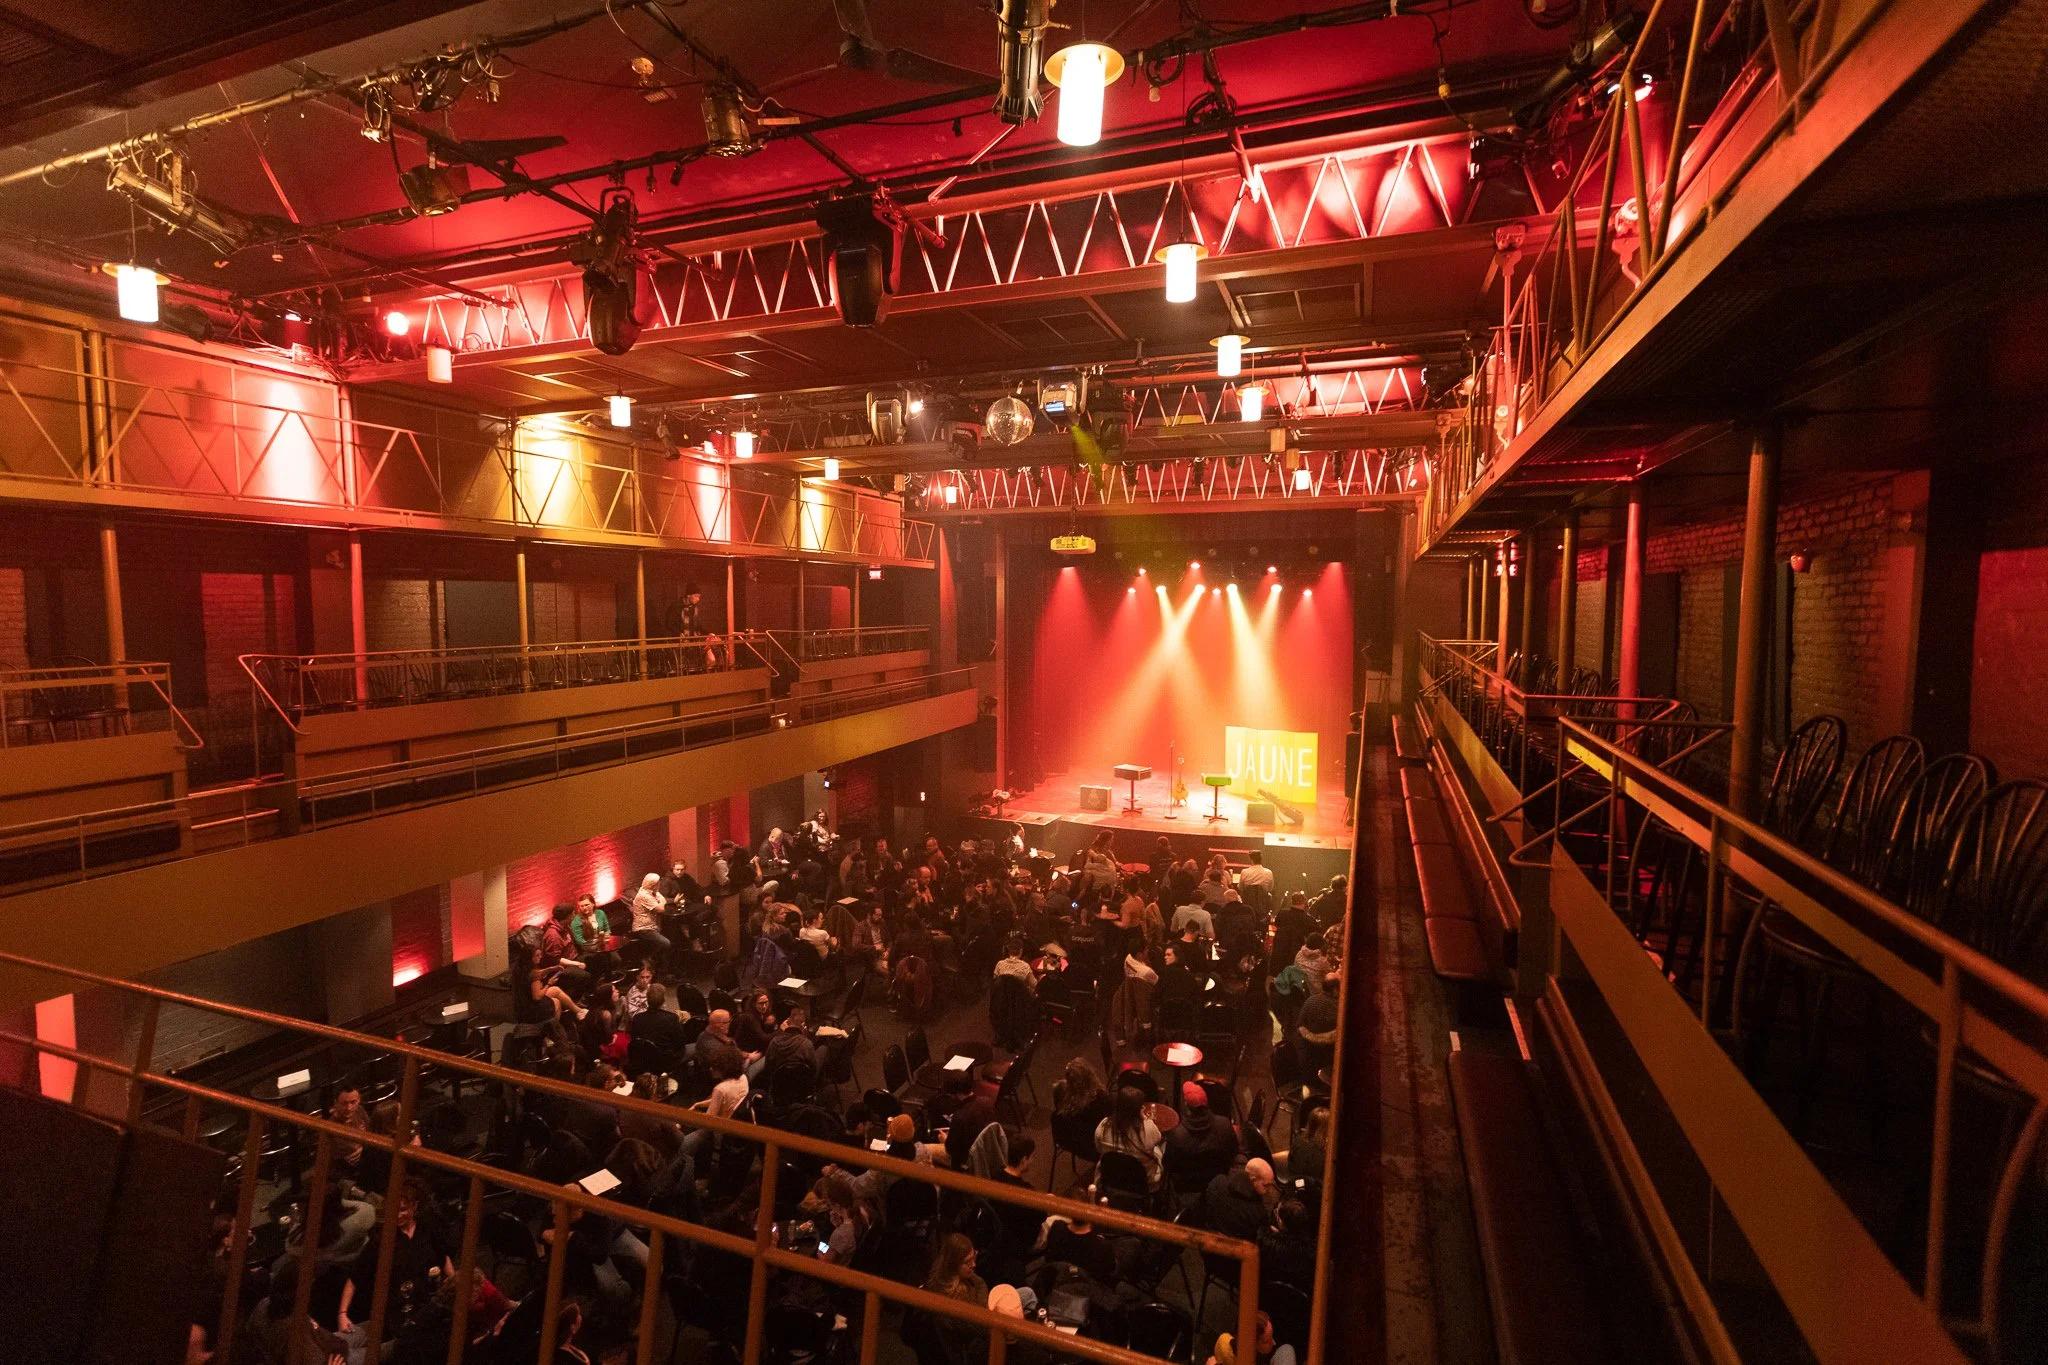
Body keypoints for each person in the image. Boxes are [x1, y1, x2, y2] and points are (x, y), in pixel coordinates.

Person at [337, 1177, 452, 1333]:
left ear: (414, 1206)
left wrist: (454, 1288)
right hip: (400, 1312)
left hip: (431, 1301)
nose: (397, 1215)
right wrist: (342, 1314)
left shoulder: (428, 1229)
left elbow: (444, 1259)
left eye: (403, 1209)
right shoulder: (382, 1239)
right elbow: (355, 1277)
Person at [1093, 1086, 1164, 1190]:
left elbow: (1098, 1148)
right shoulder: (1148, 1128)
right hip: (1144, 1183)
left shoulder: (1104, 1125)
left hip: (1112, 1177)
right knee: (1161, 1148)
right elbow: (1158, 1138)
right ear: (1139, 1109)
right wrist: (1144, 1118)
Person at [1165, 1081, 1239, 1174]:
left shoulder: (1177, 1135)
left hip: (1186, 1185)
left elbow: (1168, 1165)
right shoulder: (1224, 1124)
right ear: (1207, 1102)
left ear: (1186, 1105)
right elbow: (1234, 1151)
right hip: (1218, 1180)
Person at [1202, 1157, 1276, 1241]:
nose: (1269, 1190)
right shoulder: (1257, 1212)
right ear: (1253, 1179)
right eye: (1266, 1185)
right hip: (1238, 1248)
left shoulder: (1216, 1181)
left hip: (1210, 1240)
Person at [923, 1233, 987, 1306]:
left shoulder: (964, 1274)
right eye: (968, 1262)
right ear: (953, 1264)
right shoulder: (945, 1294)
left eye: (974, 1257)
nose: (974, 1264)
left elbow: (980, 1283)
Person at [627, 983, 686, 1062]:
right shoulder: (671, 1018)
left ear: (647, 999)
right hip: (668, 1060)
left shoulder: (637, 1019)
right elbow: (680, 1042)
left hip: (644, 1059)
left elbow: (635, 1041)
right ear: (664, 1000)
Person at [628, 873, 671, 973]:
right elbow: (661, 908)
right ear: (653, 884)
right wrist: (662, 903)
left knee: (671, 934)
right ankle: (647, 959)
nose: (659, 884)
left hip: (652, 926)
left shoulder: (652, 892)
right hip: (643, 928)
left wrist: (662, 902)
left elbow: (663, 900)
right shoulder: (644, 895)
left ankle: (661, 968)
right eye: (658, 883)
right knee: (666, 943)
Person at [569, 894, 619, 977]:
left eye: (587, 905)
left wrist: (606, 937)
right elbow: (579, 940)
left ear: (593, 904)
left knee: (617, 960)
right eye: (581, 906)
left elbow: (607, 929)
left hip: (603, 945)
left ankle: (610, 978)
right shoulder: (576, 921)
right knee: (605, 961)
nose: (584, 908)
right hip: (588, 949)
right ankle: (605, 980)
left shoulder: (600, 913)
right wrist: (595, 944)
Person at [692, 1007, 743, 1076]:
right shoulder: (715, 1047)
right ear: (720, 1025)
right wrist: (750, 1057)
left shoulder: (707, 1033)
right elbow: (731, 1068)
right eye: (729, 1021)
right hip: (728, 1077)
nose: (730, 1024)